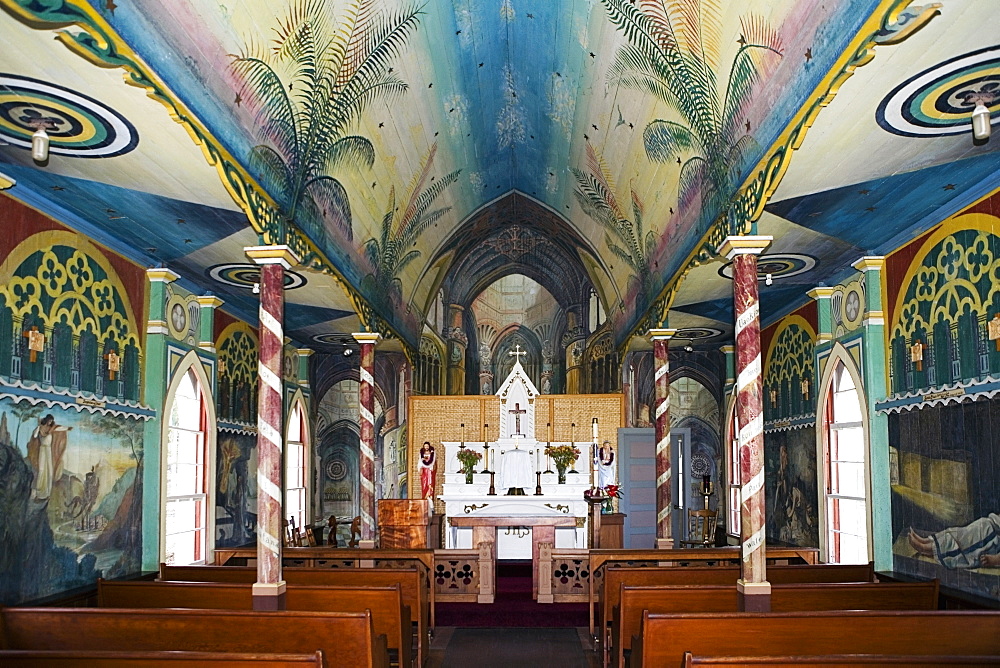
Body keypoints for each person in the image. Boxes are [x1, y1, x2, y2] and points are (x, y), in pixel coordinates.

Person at [907, 513, 1000, 569]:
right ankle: (926, 541)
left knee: (967, 542)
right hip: (992, 523)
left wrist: (995, 560)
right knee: (960, 532)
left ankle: (926, 548)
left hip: (993, 539)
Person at [26, 413, 73, 501]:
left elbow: (59, 428)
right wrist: (39, 427)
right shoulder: (40, 428)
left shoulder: (51, 429)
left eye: (51, 421)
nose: (50, 422)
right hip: (42, 450)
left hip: (48, 451)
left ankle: (47, 493)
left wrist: (67, 428)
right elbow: (35, 435)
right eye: (49, 420)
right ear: (46, 420)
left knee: (49, 472)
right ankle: (40, 493)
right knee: (42, 470)